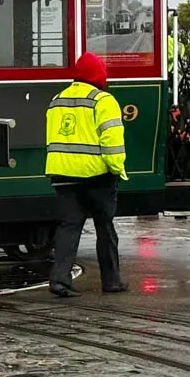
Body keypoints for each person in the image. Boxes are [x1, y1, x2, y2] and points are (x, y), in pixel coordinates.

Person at [44, 52, 129, 296]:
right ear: (99, 75)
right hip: (97, 177)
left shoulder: (56, 99)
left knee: (68, 228)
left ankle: (60, 280)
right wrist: (117, 170)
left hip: (62, 176)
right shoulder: (104, 101)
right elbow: (112, 143)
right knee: (105, 229)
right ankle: (111, 281)